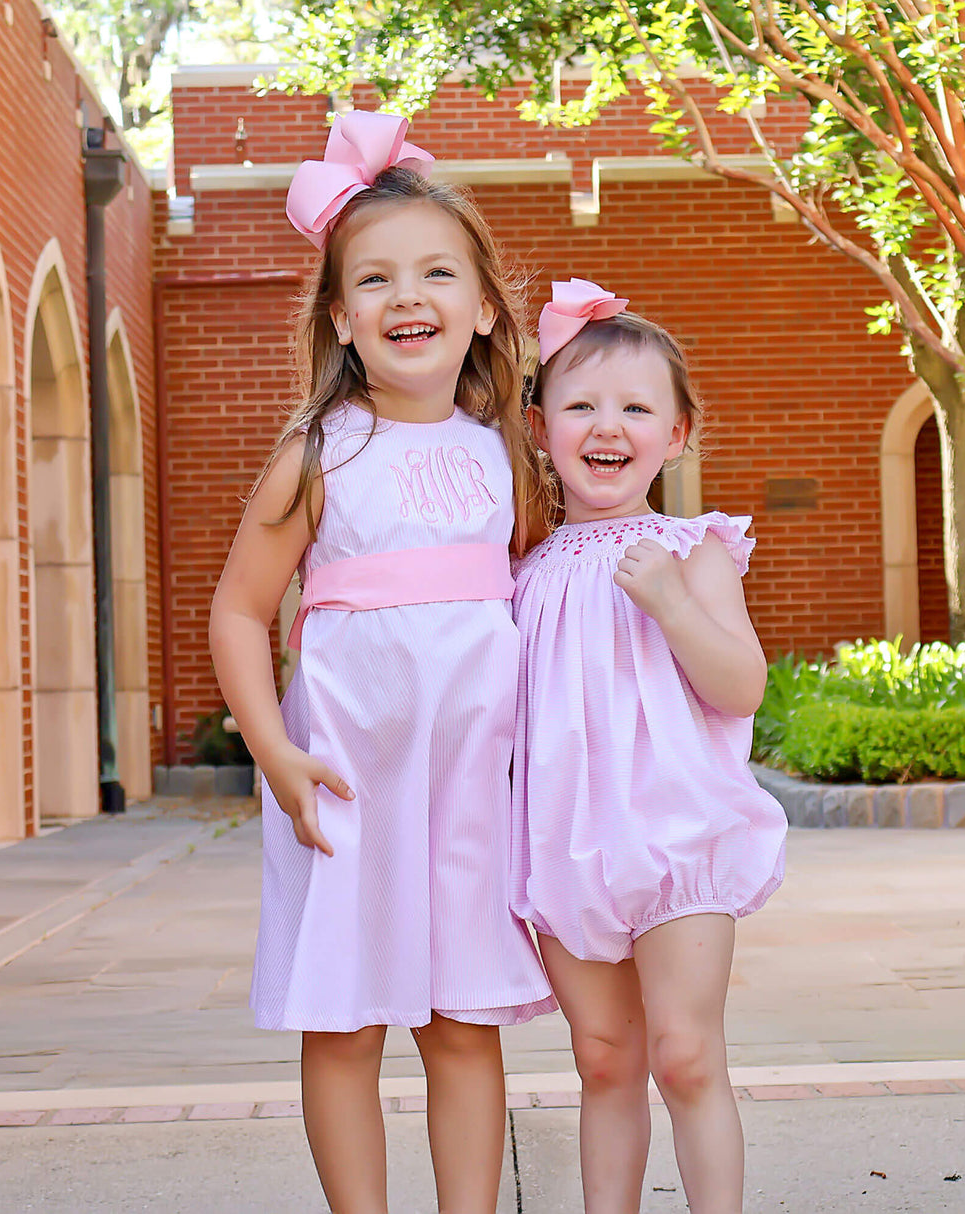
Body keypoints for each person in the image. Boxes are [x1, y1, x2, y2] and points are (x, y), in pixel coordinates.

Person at [209, 111, 555, 1214]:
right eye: (375, 279)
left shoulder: (506, 451)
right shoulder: (321, 449)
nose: (408, 296)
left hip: (467, 788)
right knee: (346, 1018)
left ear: (484, 307)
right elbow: (236, 610)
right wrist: (276, 755)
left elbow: (537, 608)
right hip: (342, 780)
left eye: (436, 272)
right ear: (341, 316)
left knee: (460, 1018)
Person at [511, 279, 788, 1214]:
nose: (607, 425)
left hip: (678, 839)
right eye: (581, 403)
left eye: (636, 406)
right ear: (542, 423)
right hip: (566, 841)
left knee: (685, 1052)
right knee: (604, 1058)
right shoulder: (522, 572)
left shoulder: (695, 549)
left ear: (676, 433)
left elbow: (740, 685)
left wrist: (671, 602)